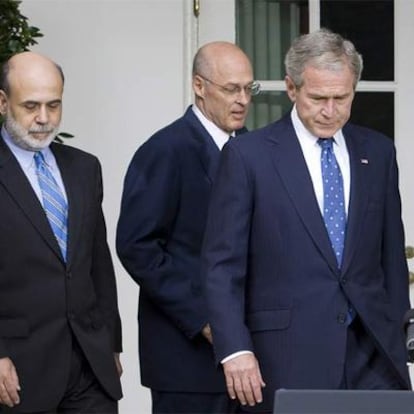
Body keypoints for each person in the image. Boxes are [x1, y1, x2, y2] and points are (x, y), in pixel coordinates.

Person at [201, 29, 411, 413]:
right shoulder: (248, 157)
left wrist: (402, 330)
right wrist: (234, 349)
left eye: (342, 98)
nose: (330, 111)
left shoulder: (378, 153)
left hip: (375, 354)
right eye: (318, 98)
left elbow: (390, 258)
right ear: (291, 88)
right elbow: (221, 265)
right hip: (285, 354)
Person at [116, 41, 258, 414]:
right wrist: (205, 319)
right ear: (199, 85)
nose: (243, 99)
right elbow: (137, 246)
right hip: (186, 360)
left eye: (249, 88)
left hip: (252, 352)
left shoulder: (253, 149)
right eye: (231, 89)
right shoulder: (165, 150)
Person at [0, 52, 122, 413]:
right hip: (19, 371)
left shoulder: (84, 168)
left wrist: (110, 343)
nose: (43, 118)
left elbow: (98, 262)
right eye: (31, 106)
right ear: (3, 102)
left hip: (90, 367)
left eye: (54, 105)